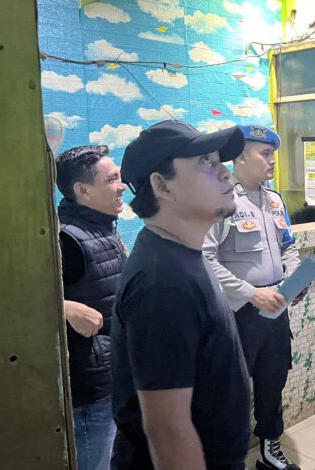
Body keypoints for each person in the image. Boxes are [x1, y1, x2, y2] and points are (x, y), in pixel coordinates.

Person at [111, 120, 251, 470]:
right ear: (162, 186)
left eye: (220, 162)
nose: (226, 173)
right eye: (206, 162)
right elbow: (167, 431)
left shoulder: (182, 255)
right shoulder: (162, 282)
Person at [203, 125, 304, 470]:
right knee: (231, 390)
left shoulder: (274, 200)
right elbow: (205, 258)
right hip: (239, 315)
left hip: (276, 310)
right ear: (241, 157)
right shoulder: (220, 199)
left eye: (273, 153)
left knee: (273, 381)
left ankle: (270, 450)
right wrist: (251, 294)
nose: (273, 160)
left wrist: (293, 281)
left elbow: (289, 247)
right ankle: (226, 458)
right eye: (266, 153)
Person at [55, 145, 127, 470]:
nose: (122, 186)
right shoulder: (66, 239)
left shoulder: (103, 229)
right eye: (111, 179)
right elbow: (16, 299)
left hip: (114, 376)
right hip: (90, 390)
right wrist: (64, 307)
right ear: (82, 190)